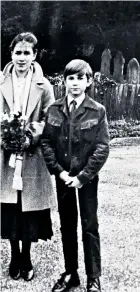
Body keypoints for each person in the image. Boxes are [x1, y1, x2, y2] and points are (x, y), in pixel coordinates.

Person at [41, 59, 110, 292]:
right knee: (67, 225)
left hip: (86, 180)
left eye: (81, 78)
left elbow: (102, 147)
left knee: (90, 226)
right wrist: (59, 172)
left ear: (89, 82)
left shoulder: (97, 110)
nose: (75, 83)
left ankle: (93, 277)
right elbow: (47, 143)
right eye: (71, 78)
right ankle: (71, 274)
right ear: (64, 81)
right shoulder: (54, 109)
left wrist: (83, 176)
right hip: (63, 179)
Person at [0, 32, 56, 281]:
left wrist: (30, 136)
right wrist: (6, 135)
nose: (21, 57)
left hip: (32, 155)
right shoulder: (1, 82)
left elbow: (50, 118)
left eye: (27, 53)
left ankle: (27, 255)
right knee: (10, 205)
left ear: (34, 55)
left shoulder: (44, 86)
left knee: (28, 207)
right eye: (17, 52)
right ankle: (13, 256)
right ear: (11, 54)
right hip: (5, 154)